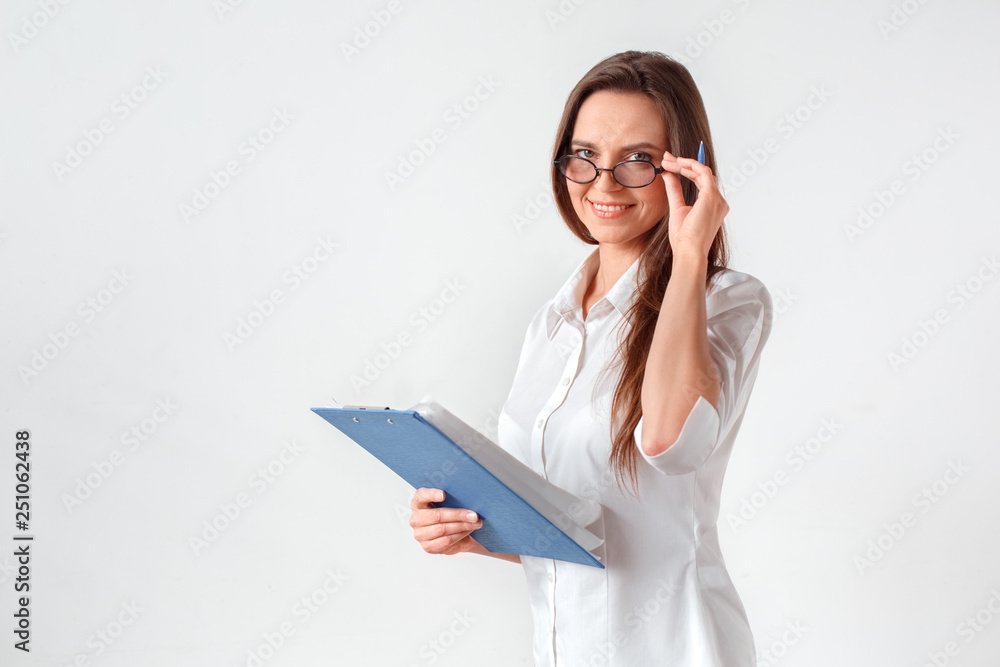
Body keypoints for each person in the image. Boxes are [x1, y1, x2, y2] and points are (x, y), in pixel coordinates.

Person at [409, 50, 773, 666]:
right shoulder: (552, 323)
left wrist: (690, 256)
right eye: (585, 157)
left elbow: (670, 442)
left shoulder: (728, 301)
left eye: (638, 161)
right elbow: (575, 526)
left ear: (686, 169)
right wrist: (474, 531)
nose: (603, 184)